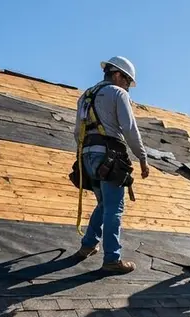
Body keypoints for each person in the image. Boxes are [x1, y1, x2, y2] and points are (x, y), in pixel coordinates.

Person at [73, 56, 151, 274]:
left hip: (87, 155)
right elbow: (129, 129)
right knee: (114, 208)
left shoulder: (86, 95)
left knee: (103, 204)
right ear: (118, 75)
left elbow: (77, 130)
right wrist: (142, 158)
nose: (128, 87)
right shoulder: (118, 93)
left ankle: (88, 245)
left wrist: (83, 155)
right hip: (109, 156)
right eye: (127, 81)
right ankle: (112, 259)